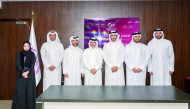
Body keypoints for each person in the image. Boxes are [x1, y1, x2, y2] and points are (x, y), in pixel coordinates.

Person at [12, 41, 36, 109]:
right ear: (23, 47)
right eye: (24, 46)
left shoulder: (32, 54)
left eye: (27, 46)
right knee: (20, 91)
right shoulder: (19, 54)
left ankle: (29, 106)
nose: (26, 47)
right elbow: (18, 64)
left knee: (29, 91)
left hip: (30, 74)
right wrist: (23, 72)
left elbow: (32, 64)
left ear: (29, 47)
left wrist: (27, 72)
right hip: (21, 74)